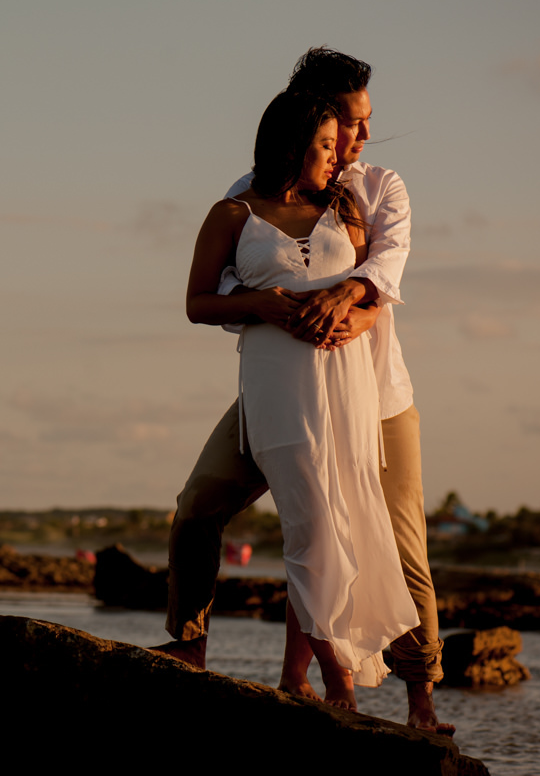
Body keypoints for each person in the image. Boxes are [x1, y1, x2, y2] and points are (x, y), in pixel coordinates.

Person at [160, 48, 451, 734]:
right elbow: (227, 283)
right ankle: (190, 645)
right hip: (281, 390)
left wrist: (351, 294)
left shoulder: (376, 189)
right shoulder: (250, 191)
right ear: (308, 117)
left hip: (374, 395)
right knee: (209, 504)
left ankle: (421, 699)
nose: (360, 138)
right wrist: (277, 302)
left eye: (361, 123)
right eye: (348, 123)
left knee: (397, 540)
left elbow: (387, 269)